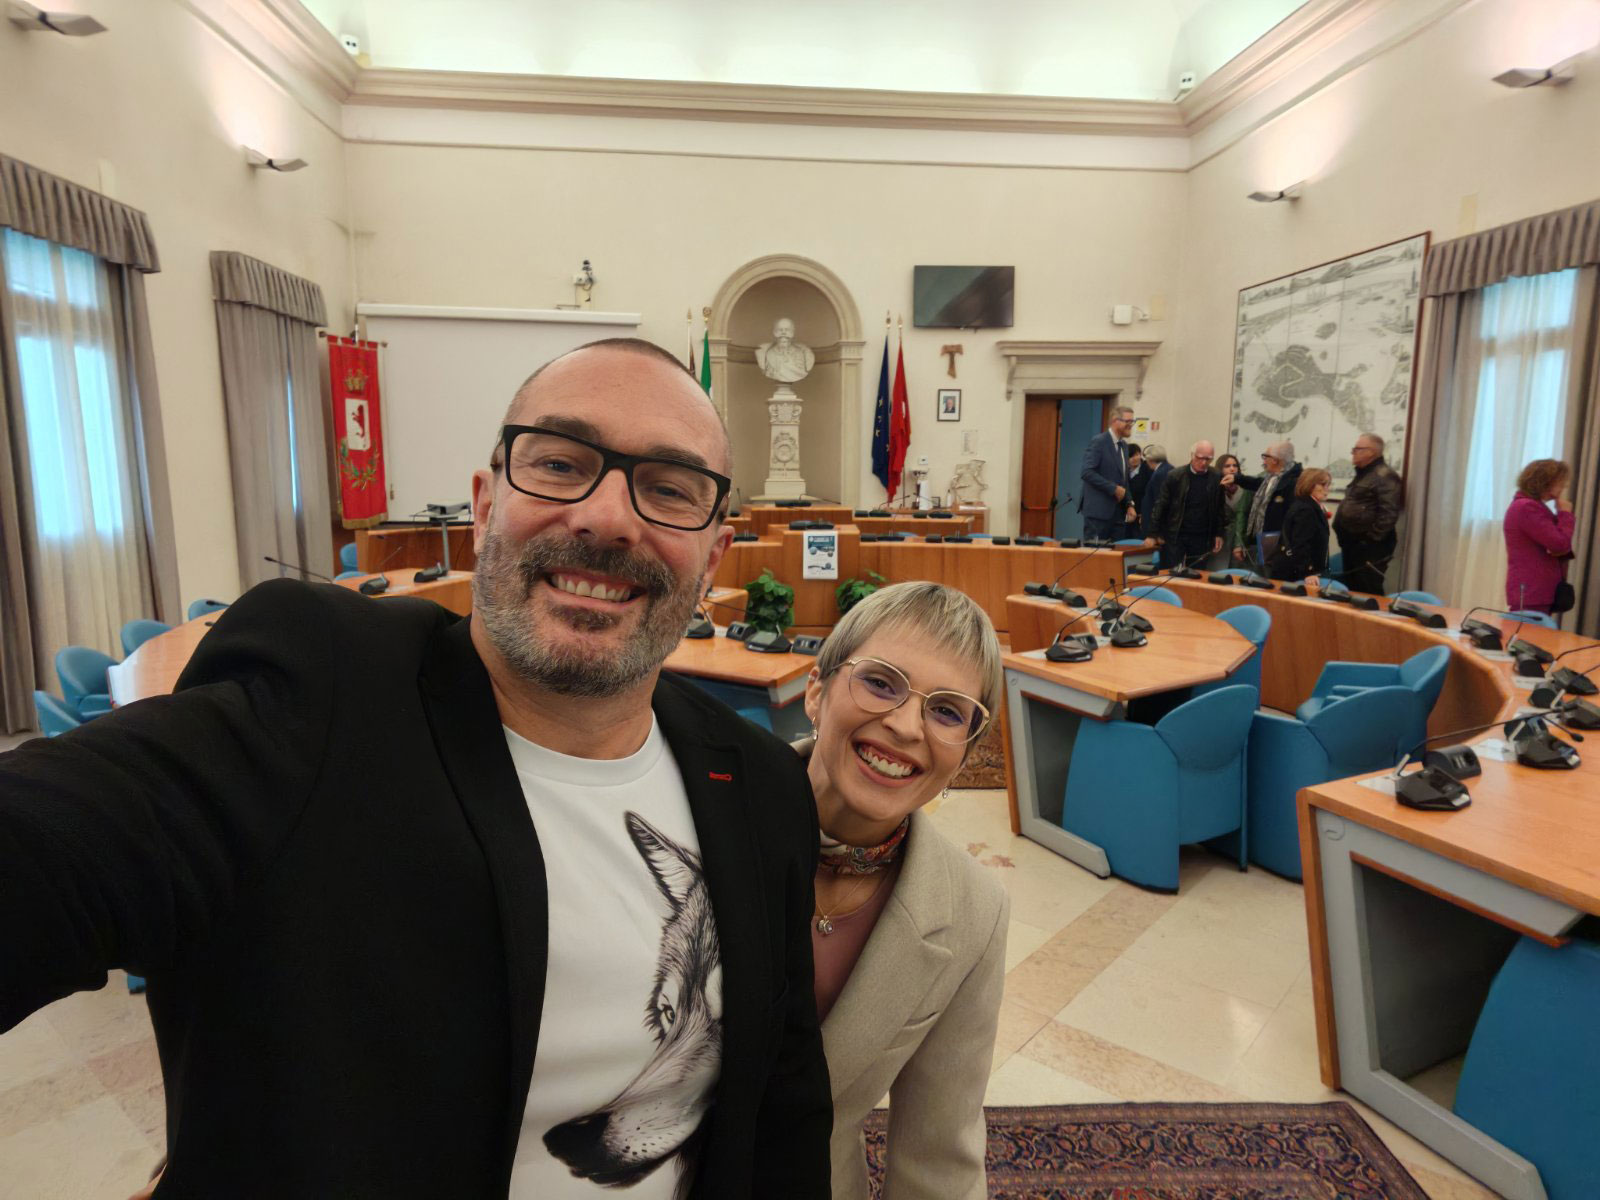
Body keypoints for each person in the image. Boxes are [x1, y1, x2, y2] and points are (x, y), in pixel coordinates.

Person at [0, 339, 832, 1198]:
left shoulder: (762, 787)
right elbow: (47, 849)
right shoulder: (317, 707)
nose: (608, 516)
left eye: (669, 489)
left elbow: (784, 1103)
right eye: (560, 464)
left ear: (714, 556)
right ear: (484, 506)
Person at [796, 582, 1007, 1200]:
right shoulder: (694, 815)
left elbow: (939, 1159)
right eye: (881, 683)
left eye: (947, 712)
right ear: (816, 690)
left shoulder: (975, 913)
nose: (905, 726)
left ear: (965, 754)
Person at [1504, 458, 1576, 614]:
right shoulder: (1526, 507)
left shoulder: (1531, 506)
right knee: (1531, 630)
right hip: (1532, 591)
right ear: (1546, 482)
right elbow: (1560, 544)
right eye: (1560, 482)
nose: (1564, 486)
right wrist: (1565, 514)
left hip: (1535, 591)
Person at [1334, 432, 1403, 594]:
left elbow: (1389, 514)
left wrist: (1370, 540)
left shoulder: (1384, 475)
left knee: (1368, 590)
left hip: (1369, 548)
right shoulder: (1363, 473)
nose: (1353, 452)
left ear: (1371, 452)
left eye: (1357, 449)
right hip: (1353, 544)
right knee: (1352, 590)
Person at [1145, 440, 1225, 570]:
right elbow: (1161, 505)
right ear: (1192, 455)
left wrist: (1219, 533)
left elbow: (1219, 507)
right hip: (1176, 534)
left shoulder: (1216, 476)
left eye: (1208, 459)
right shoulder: (1175, 475)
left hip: (1202, 536)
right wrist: (1153, 533)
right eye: (1200, 458)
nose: (1204, 463)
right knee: (1170, 572)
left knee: (1198, 573)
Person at [1238, 440, 1302, 567]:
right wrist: (1236, 478)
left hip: (1276, 542)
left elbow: (1292, 519)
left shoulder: (1293, 483)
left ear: (1275, 460)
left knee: (1269, 576)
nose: (1263, 461)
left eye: (1265, 456)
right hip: (1262, 537)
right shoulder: (1273, 478)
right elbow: (1256, 482)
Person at [1079, 405, 1138, 542]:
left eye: (1132, 421)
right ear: (1115, 420)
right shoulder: (1099, 441)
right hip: (1098, 514)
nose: (1131, 425)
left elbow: (1124, 480)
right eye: (1127, 421)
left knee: (1116, 554)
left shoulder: (1124, 446)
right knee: (1095, 554)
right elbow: (1087, 472)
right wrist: (1113, 489)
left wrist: (1129, 504)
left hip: (1118, 514)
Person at [1268, 467, 1332, 581]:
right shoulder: (1306, 509)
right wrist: (1308, 572)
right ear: (1309, 484)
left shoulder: (1307, 505)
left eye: (1328, 485)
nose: (1327, 489)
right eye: (1323, 485)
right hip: (1295, 572)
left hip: (1296, 569)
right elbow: (1300, 544)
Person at [1211, 452, 1248, 570]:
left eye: (1235, 465)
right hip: (1221, 537)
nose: (1232, 469)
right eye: (1227, 466)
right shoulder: (1215, 487)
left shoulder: (1246, 488)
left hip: (1240, 538)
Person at [757, 316, 816, 384]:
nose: (783, 332)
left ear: (793, 332)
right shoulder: (769, 353)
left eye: (787, 329)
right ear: (774, 332)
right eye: (780, 329)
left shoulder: (801, 353)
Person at [1139, 444, 1172, 540]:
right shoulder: (1169, 468)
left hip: (1155, 528)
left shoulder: (1160, 474)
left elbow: (1160, 503)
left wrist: (1158, 533)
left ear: (1150, 459)